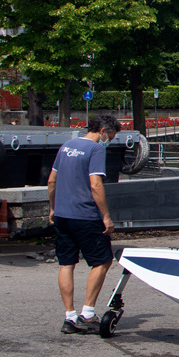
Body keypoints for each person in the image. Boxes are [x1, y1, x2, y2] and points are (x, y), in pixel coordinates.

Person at [48, 113, 119, 334]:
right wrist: (106, 216)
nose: (110, 140)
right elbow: (96, 184)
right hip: (86, 215)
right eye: (112, 136)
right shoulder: (96, 149)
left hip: (62, 214)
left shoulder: (67, 146)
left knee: (66, 263)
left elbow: (51, 180)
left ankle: (69, 316)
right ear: (103, 131)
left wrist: (52, 207)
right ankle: (87, 314)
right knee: (102, 261)